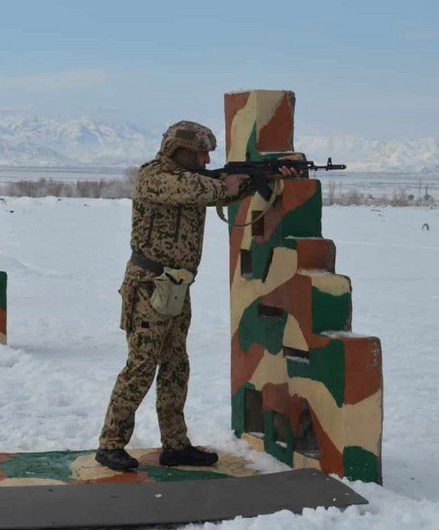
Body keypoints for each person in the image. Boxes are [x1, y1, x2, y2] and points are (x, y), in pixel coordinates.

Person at [95, 120, 297, 470]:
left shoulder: (196, 180)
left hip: (177, 286)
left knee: (176, 366)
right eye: (201, 153)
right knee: (141, 366)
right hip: (149, 286)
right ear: (180, 149)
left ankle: (175, 445)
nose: (205, 161)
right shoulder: (155, 176)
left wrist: (270, 176)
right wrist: (227, 182)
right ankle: (110, 443)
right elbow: (199, 190)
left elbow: (225, 189)